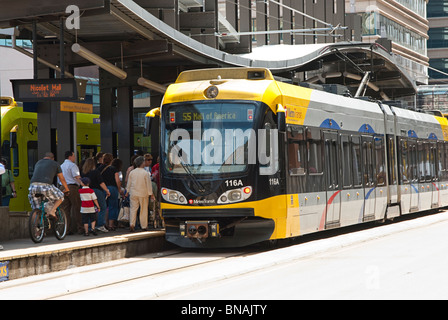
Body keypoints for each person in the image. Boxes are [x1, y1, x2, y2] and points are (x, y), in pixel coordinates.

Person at [28, 152, 69, 219]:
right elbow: (62, 178)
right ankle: (52, 211)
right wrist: (66, 189)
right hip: (45, 186)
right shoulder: (55, 164)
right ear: (52, 158)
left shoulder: (38, 163)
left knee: (36, 210)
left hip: (33, 186)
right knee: (61, 196)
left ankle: (34, 227)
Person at [125, 156, 155, 232]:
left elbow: (129, 183)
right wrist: (151, 194)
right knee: (143, 210)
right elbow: (148, 184)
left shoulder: (132, 172)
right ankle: (144, 226)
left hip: (133, 193)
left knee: (133, 209)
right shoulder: (145, 173)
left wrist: (127, 191)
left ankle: (132, 224)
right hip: (143, 193)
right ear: (142, 163)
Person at [81, 158, 110, 233]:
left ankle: (90, 226)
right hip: (96, 191)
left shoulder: (83, 173)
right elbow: (101, 183)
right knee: (102, 207)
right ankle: (100, 225)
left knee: (90, 209)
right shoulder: (96, 172)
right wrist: (107, 190)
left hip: (86, 191)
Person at [59, 151, 83, 235]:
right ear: (70, 157)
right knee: (77, 208)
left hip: (62, 187)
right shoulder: (73, 165)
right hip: (72, 187)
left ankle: (66, 229)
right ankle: (80, 228)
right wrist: (83, 185)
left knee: (65, 209)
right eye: (74, 156)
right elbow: (77, 177)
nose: (75, 158)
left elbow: (59, 179)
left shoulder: (61, 166)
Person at [99, 153, 123, 230]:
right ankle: (111, 224)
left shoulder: (99, 168)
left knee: (104, 207)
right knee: (113, 206)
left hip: (103, 188)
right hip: (112, 188)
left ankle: (104, 223)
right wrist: (119, 189)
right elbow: (117, 180)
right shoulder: (113, 169)